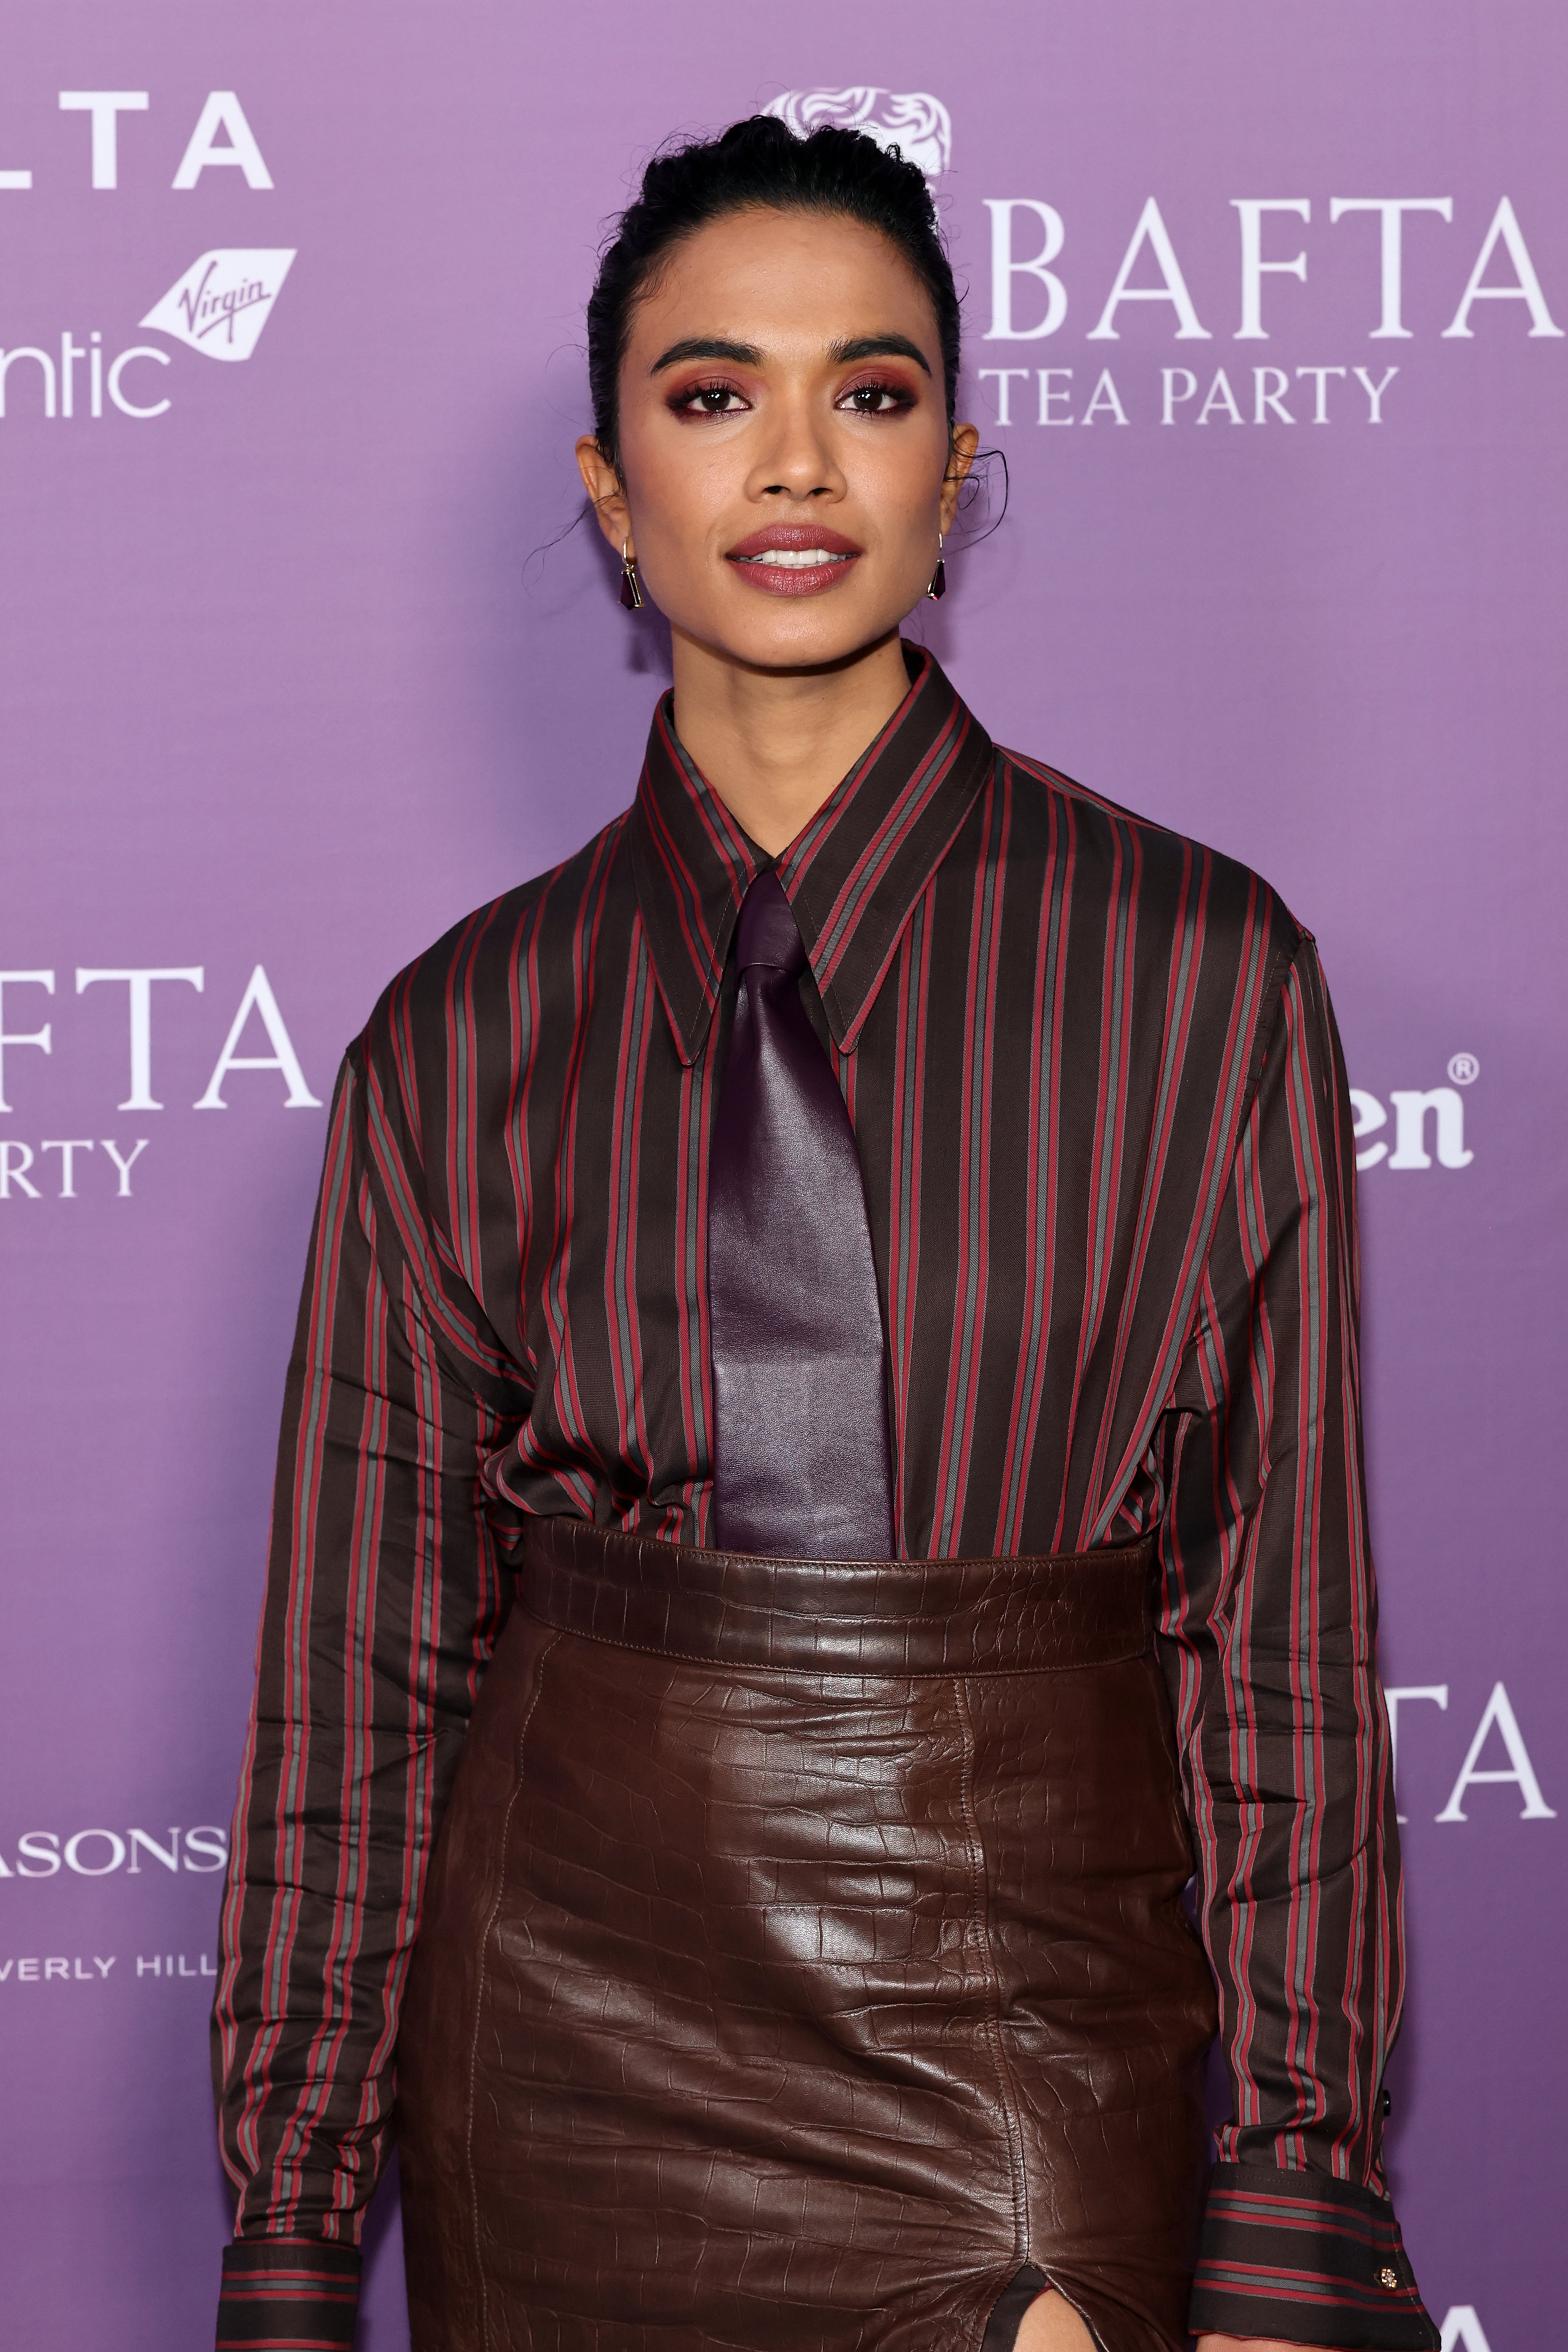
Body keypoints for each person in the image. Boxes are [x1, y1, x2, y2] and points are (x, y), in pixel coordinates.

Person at [212, 117, 1439, 2352]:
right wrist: (294, 2240)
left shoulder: (1197, 970)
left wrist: (1295, 2200)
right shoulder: (458, 1034)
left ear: (957, 461)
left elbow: (1277, 1642)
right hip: (559, 2053)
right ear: (609, 482)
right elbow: (359, 1693)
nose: (796, 463)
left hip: (1021, 2034)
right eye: (713, 397)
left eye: (869, 395)